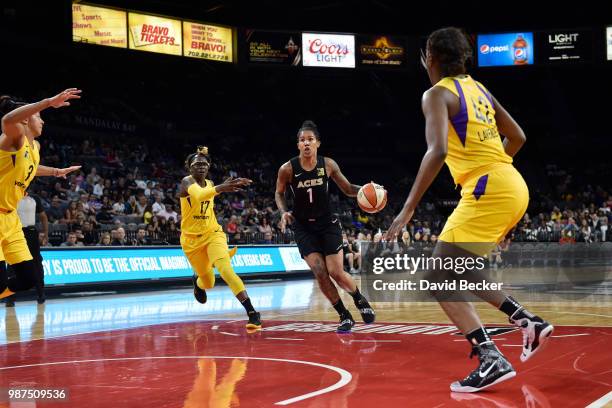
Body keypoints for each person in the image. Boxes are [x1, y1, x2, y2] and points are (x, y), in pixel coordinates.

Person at [386, 28, 553, 392]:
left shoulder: (436, 94)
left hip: (489, 187)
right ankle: (528, 322)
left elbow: (438, 151)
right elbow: (518, 137)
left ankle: (491, 357)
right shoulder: (480, 90)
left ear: (430, 58)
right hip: (511, 183)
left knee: (436, 276)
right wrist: (495, 170)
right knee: (460, 270)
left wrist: (408, 208)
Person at [275, 120, 376, 332]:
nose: (306, 143)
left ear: (318, 143)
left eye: (310, 139)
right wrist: (284, 211)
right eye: (302, 140)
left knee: (336, 272)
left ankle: (359, 300)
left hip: (327, 223)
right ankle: (343, 315)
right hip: (303, 227)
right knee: (320, 272)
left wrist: (369, 189)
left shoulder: (328, 164)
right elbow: (279, 192)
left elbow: (348, 189)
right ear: (298, 145)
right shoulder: (287, 169)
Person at [0, 89, 82, 300]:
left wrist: (56, 172)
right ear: (26, 119)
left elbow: (32, 166)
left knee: (28, 279)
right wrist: (47, 102)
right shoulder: (11, 138)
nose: (43, 122)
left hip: (11, 219)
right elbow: (8, 118)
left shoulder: (34, 146)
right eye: (39, 117)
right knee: (1, 283)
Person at [180, 146, 261, 330]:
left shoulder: (210, 183)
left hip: (213, 234)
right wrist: (222, 188)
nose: (201, 166)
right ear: (189, 167)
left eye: (204, 163)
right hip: (191, 242)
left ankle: (252, 312)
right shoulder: (186, 182)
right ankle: (198, 282)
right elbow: (199, 196)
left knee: (225, 270)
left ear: (208, 166)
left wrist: (221, 187)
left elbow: (209, 194)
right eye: (196, 164)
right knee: (208, 282)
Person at [4, 193, 48, 306]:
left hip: (31, 232)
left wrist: (46, 233)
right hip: (15, 232)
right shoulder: (9, 195)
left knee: (36, 263)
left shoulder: (35, 197)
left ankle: (41, 294)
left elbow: (43, 216)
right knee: (13, 264)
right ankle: (10, 297)